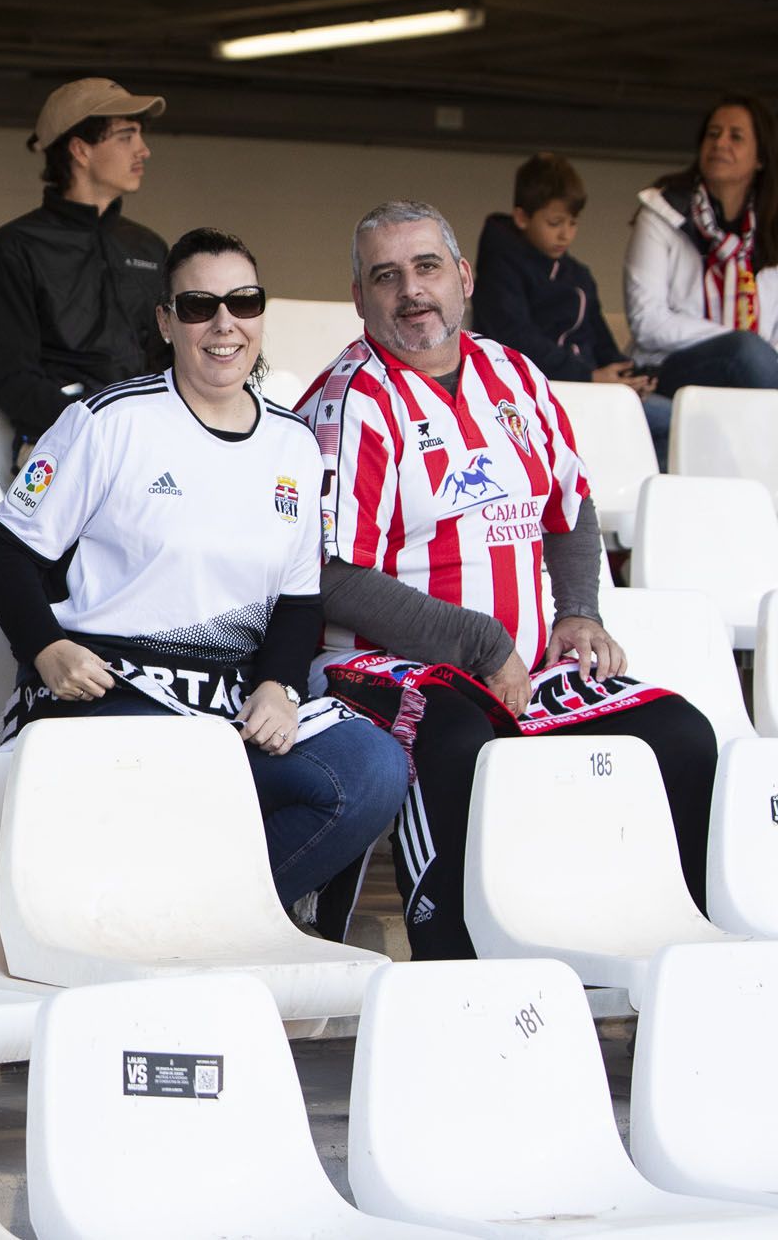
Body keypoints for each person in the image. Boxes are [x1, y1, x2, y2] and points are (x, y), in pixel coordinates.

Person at [305, 200, 716, 960]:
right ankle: (451, 963)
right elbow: (328, 575)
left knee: (682, 736)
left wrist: (582, 610)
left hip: (519, 667)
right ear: (360, 299)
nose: (411, 291)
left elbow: (570, 507)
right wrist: (479, 641)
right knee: (456, 730)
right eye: (385, 276)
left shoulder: (515, 375)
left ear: (462, 277)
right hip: (376, 667)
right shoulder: (350, 399)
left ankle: (667, 958)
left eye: (427, 267)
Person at [0, 227, 406, 913]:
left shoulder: (294, 443)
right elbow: (4, 550)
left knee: (372, 769)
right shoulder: (106, 420)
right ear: (167, 321)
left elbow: (298, 601)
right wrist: (45, 648)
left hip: (225, 710)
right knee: (174, 782)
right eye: (200, 306)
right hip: (108, 697)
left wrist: (280, 686)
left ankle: (208, 917)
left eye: (244, 301)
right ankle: (174, 922)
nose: (224, 323)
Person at [0, 77, 172, 456]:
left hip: (152, 446)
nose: (143, 150)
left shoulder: (150, 246)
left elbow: (171, 359)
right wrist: (98, 427)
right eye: (126, 136)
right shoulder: (14, 248)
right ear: (81, 150)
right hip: (63, 449)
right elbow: (16, 381)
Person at [473, 152, 669, 456]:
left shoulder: (578, 276)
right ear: (522, 218)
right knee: (670, 420)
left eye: (573, 223)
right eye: (555, 222)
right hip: (537, 394)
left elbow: (601, 341)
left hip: (589, 389)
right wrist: (589, 377)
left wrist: (626, 375)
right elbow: (516, 339)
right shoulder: (500, 267)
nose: (566, 234)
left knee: (671, 420)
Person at [623, 94, 778, 394]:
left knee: (749, 354)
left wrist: (759, 353)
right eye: (713, 134)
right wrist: (736, 341)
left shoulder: (771, 227)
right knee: (744, 352)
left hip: (758, 373)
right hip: (667, 369)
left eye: (736, 137)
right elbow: (648, 321)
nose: (721, 143)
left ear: (760, 158)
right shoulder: (662, 212)